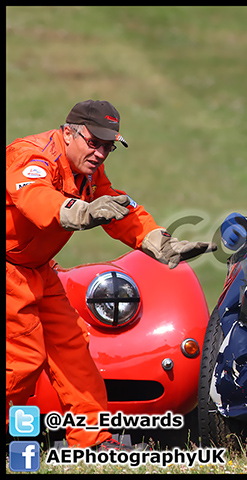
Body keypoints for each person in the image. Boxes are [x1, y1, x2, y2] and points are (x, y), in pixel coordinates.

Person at [6, 100, 217, 450]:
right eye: (94, 142)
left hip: (37, 268)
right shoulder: (31, 156)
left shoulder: (87, 169)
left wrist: (158, 242)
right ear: (68, 132)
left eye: (108, 146)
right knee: (22, 359)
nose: (101, 153)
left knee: (74, 350)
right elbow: (37, 200)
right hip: (11, 267)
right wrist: (79, 211)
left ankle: (91, 441)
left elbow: (115, 203)